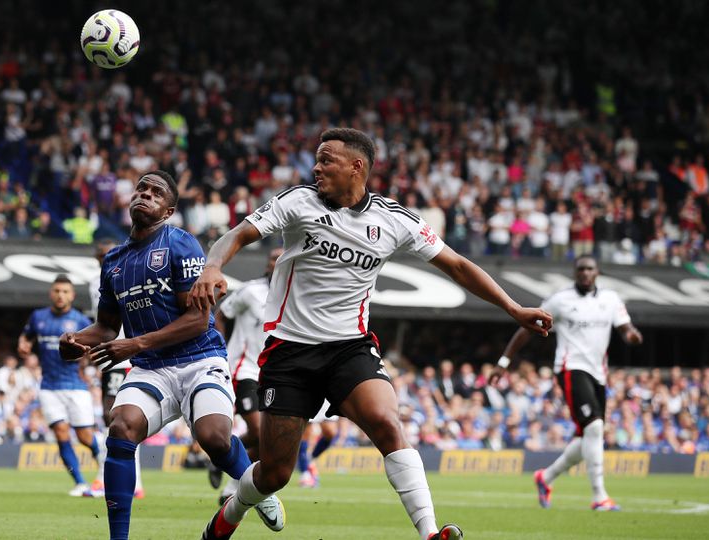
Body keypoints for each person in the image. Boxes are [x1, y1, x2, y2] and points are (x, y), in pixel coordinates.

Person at [190, 128, 551, 540]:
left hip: (350, 348)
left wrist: (512, 307)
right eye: (317, 159)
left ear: (356, 167)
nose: (317, 167)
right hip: (290, 352)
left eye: (327, 160)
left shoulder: (394, 219)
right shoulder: (298, 201)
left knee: (386, 421)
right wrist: (213, 266)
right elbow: (238, 235)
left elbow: (457, 265)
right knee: (274, 473)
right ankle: (227, 518)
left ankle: (430, 533)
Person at [58, 170, 285, 540]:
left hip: (200, 360)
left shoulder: (182, 245)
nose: (145, 195)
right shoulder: (113, 261)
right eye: (141, 189)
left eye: (156, 192)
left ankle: (257, 489)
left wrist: (136, 344)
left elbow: (198, 320)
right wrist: (75, 341)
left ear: (168, 210)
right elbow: (106, 328)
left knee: (214, 439)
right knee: (120, 429)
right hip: (151, 369)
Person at [497, 254, 642, 511]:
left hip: (599, 373)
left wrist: (632, 336)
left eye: (590, 268)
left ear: (597, 272)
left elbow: (625, 327)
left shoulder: (610, 299)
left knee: (587, 434)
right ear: (575, 273)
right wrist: (504, 361)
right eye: (581, 269)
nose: (585, 272)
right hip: (570, 368)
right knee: (595, 427)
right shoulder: (561, 300)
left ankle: (546, 477)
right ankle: (600, 497)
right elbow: (527, 327)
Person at [19, 275, 104, 497]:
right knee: (61, 432)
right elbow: (26, 337)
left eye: (65, 291)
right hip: (48, 386)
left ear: (72, 295)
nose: (60, 295)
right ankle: (80, 483)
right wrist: (24, 346)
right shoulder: (38, 317)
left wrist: (91, 358)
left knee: (85, 436)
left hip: (75, 386)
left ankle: (104, 470)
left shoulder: (80, 321)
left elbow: (95, 345)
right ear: (51, 293)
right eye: (57, 291)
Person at [210, 247, 283, 501]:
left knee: (266, 439)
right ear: (267, 265)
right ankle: (224, 459)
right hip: (243, 369)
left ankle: (229, 483)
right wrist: (219, 344)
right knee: (261, 433)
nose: (278, 262)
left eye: (283, 258)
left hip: (272, 373)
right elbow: (220, 315)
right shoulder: (251, 291)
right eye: (274, 258)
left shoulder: (294, 293)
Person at [90, 237, 144, 499]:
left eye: (107, 255)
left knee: (115, 417)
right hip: (107, 357)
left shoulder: (125, 275)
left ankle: (106, 479)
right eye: (100, 256)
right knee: (114, 418)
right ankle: (133, 482)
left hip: (123, 358)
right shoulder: (96, 283)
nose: (104, 259)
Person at [296, 401, 338, 488]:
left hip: (326, 394)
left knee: (331, 432)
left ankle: (311, 459)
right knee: (305, 432)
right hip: (309, 392)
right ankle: (305, 474)